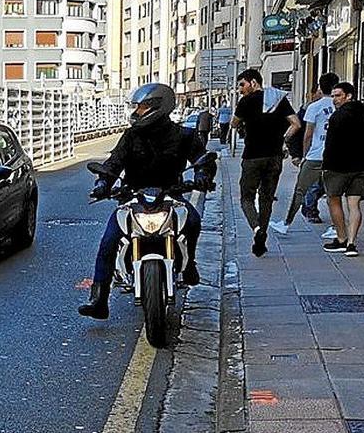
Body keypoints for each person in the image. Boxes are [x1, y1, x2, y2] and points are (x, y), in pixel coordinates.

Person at [79, 83, 217, 319]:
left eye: (141, 107)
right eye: (136, 107)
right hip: (134, 196)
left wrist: (203, 176)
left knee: (193, 220)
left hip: (170, 195)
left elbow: (202, 159)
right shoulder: (131, 136)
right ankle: (99, 299)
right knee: (109, 240)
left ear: (157, 107)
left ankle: (189, 263)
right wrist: (103, 184)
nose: (136, 112)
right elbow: (114, 162)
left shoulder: (184, 135)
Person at [231, 69, 301, 257]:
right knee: (266, 198)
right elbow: (296, 124)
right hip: (274, 156)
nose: (240, 89)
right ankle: (263, 231)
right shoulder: (279, 99)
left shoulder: (245, 102)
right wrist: (283, 138)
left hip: (252, 156)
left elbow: (233, 123)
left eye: (242, 84)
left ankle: (257, 230)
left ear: (253, 82)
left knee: (246, 197)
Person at [268, 73, 340, 235]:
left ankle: (286, 223)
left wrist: (304, 154)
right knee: (333, 194)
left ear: (320, 88)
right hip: (335, 156)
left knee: (300, 189)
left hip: (315, 155)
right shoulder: (340, 106)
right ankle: (337, 228)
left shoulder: (314, 107)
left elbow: (307, 134)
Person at [321, 82, 364, 257]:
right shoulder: (363, 116)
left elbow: (331, 144)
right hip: (359, 166)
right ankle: (351, 243)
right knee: (354, 204)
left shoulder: (337, 117)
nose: (334, 99)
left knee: (333, 201)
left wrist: (326, 165)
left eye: (338, 95)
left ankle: (342, 239)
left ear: (348, 95)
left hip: (337, 166)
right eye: (333, 96)